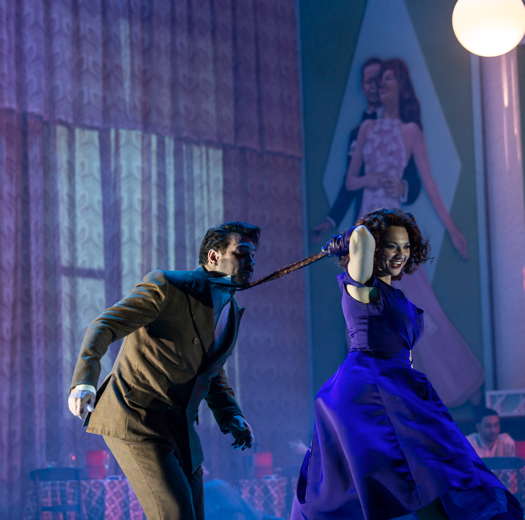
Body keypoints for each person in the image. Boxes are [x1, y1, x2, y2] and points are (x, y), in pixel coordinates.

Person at [291, 208, 522, 519]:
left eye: (405, 246)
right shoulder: (361, 285)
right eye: (391, 245)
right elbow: (361, 236)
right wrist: (347, 239)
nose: (400, 254)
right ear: (374, 247)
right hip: (369, 386)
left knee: (438, 474)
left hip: (399, 385)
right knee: (406, 479)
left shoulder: (394, 294)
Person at [68, 221, 260, 520]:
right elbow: (103, 325)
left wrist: (230, 415)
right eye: (242, 254)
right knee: (175, 514)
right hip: (136, 418)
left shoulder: (231, 310)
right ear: (213, 257)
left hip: (179, 427)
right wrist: (84, 383)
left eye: (252, 256)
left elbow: (209, 372)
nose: (251, 262)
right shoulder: (168, 286)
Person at [344, 58, 483, 407]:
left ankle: (415, 387)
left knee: (411, 305)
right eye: (383, 80)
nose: (385, 85)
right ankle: (377, 389)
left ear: (401, 88)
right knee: (366, 305)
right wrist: (372, 180)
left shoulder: (410, 131)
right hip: (366, 226)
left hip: (393, 228)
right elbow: (350, 181)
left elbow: (431, 183)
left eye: (392, 80)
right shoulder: (365, 130)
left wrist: (453, 229)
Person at [312, 57, 421, 238]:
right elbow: (350, 183)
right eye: (368, 82)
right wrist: (332, 219)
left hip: (393, 217)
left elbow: (414, 176)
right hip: (366, 218)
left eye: (378, 80)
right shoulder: (360, 131)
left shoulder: (405, 128)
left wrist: (402, 188)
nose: (374, 87)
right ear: (362, 86)